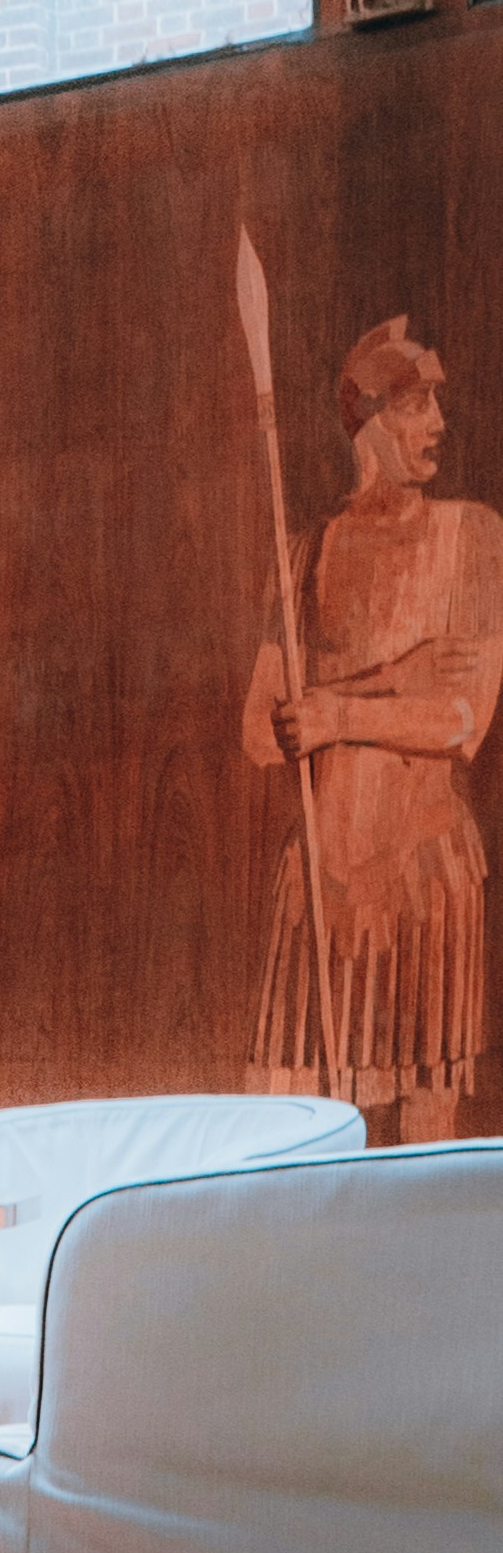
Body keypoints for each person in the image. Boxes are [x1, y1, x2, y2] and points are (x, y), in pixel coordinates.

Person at [244, 316, 503, 1139]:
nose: (437, 426)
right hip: (325, 882)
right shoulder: (305, 554)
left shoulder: (474, 538)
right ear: (366, 421)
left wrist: (339, 712)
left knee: (422, 1150)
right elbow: (260, 730)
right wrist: (390, 677)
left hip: (425, 877)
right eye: (415, 407)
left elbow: (464, 721)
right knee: (311, 1140)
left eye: (436, 406)